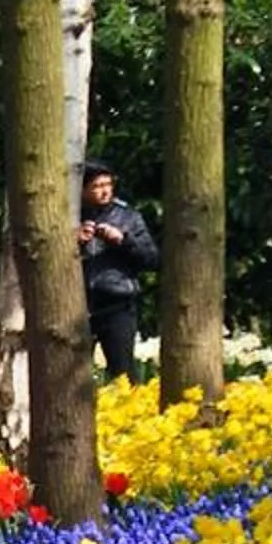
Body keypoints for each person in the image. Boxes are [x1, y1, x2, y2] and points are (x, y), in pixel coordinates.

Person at [76, 161, 157, 380]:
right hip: (76, 306)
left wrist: (122, 240)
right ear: (82, 189)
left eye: (108, 185)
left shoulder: (128, 217)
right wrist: (74, 242)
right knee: (72, 376)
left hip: (117, 304)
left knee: (123, 373)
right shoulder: (69, 216)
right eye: (96, 186)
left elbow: (151, 259)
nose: (104, 191)